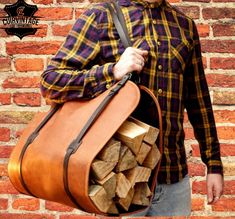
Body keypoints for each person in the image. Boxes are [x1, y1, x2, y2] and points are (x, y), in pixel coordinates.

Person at [40, 0, 224, 216]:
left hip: (173, 181)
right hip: (119, 182)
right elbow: (51, 82)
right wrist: (112, 71)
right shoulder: (101, 16)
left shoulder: (184, 26)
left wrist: (213, 164)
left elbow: (198, 100)